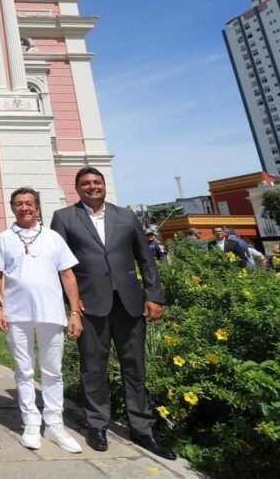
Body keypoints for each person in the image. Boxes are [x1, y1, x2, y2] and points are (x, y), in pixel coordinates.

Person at [49, 167, 175, 460]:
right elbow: (57, 264)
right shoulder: (64, 218)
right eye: (86, 183)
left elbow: (145, 258)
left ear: (104, 185)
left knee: (135, 366)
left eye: (97, 182)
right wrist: (70, 305)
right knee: (93, 367)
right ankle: (96, 425)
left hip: (129, 303)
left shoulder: (126, 217)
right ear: (77, 188)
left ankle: (142, 428)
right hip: (89, 304)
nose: (92, 186)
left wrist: (154, 295)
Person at [0, 187, 84, 453]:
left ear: (37, 207)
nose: (24, 208)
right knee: (24, 370)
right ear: (13, 208)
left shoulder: (53, 237)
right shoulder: (5, 238)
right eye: (19, 204)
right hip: (16, 313)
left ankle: (54, 423)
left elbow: (67, 275)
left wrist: (74, 312)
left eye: (29, 203)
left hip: (50, 313)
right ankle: (31, 422)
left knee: (53, 370)